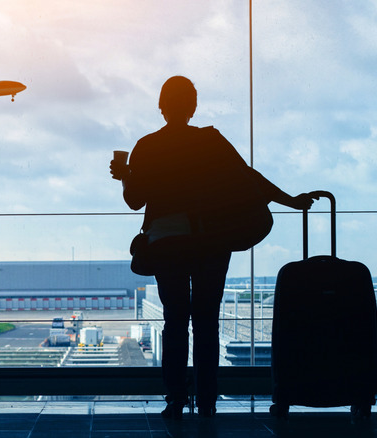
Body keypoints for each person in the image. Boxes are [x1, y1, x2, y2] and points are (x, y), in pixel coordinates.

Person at [110, 76, 313, 419]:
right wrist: (289, 201)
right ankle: (207, 401)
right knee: (207, 322)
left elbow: (134, 201)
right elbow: (249, 177)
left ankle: (175, 399)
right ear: (193, 106)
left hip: (167, 241)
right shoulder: (210, 141)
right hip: (210, 241)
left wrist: (126, 174)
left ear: (161, 106)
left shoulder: (147, 146)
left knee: (175, 321)